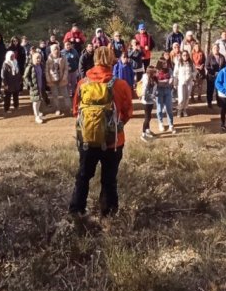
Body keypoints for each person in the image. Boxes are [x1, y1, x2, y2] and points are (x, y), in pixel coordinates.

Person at [68, 46, 133, 218]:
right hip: (113, 142)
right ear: (112, 60)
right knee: (109, 180)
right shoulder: (120, 85)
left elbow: (76, 111)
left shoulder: (82, 83)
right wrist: (114, 127)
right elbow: (128, 113)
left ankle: (76, 212)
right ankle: (108, 215)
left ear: (94, 59)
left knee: (83, 176)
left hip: (87, 139)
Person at [46, 44, 70, 116]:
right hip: (52, 80)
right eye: (54, 49)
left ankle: (68, 108)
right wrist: (48, 79)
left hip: (62, 79)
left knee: (65, 95)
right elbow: (46, 71)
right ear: (51, 51)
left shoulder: (63, 58)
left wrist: (64, 77)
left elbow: (66, 68)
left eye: (57, 49)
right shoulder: (49, 60)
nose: (56, 51)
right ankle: (57, 109)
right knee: (55, 96)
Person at [154, 52, 175, 132]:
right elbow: (156, 81)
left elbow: (171, 78)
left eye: (166, 63)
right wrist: (164, 81)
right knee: (159, 108)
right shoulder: (156, 71)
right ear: (160, 64)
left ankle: (171, 124)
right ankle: (161, 123)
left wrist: (168, 81)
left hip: (167, 90)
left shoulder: (169, 70)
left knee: (169, 108)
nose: (166, 65)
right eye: (164, 63)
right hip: (159, 91)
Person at [24, 51, 47, 124]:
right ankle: (36, 116)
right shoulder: (30, 67)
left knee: (39, 100)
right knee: (35, 102)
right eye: (37, 58)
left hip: (40, 86)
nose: (38, 59)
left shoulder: (41, 65)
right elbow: (25, 77)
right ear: (33, 58)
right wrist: (30, 84)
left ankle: (38, 111)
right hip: (34, 87)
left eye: (39, 58)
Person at [174, 50, 195, 118]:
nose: (185, 56)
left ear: (188, 56)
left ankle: (184, 109)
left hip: (189, 82)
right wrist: (175, 82)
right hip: (181, 82)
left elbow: (195, 71)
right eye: (183, 55)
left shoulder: (191, 63)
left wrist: (192, 76)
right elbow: (175, 73)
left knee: (187, 97)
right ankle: (179, 110)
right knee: (181, 97)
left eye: (186, 55)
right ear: (181, 56)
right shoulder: (178, 63)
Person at [139, 67, 158, 141]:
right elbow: (145, 92)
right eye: (154, 72)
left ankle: (147, 130)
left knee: (149, 116)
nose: (156, 73)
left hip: (150, 101)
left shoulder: (151, 78)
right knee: (147, 117)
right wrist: (152, 97)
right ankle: (143, 134)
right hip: (146, 101)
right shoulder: (147, 80)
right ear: (151, 73)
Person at [205, 44, 226, 109]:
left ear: (219, 49)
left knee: (218, 89)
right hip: (211, 76)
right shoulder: (209, 57)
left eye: (217, 48)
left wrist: (220, 73)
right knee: (210, 90)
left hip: (220, 76)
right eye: (214, 48)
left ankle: (219, 102)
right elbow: (207, 66)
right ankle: (209, 102)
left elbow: (224, 66)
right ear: (212, 49)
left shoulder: (222, 56)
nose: (216, 49)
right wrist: (214, 72)